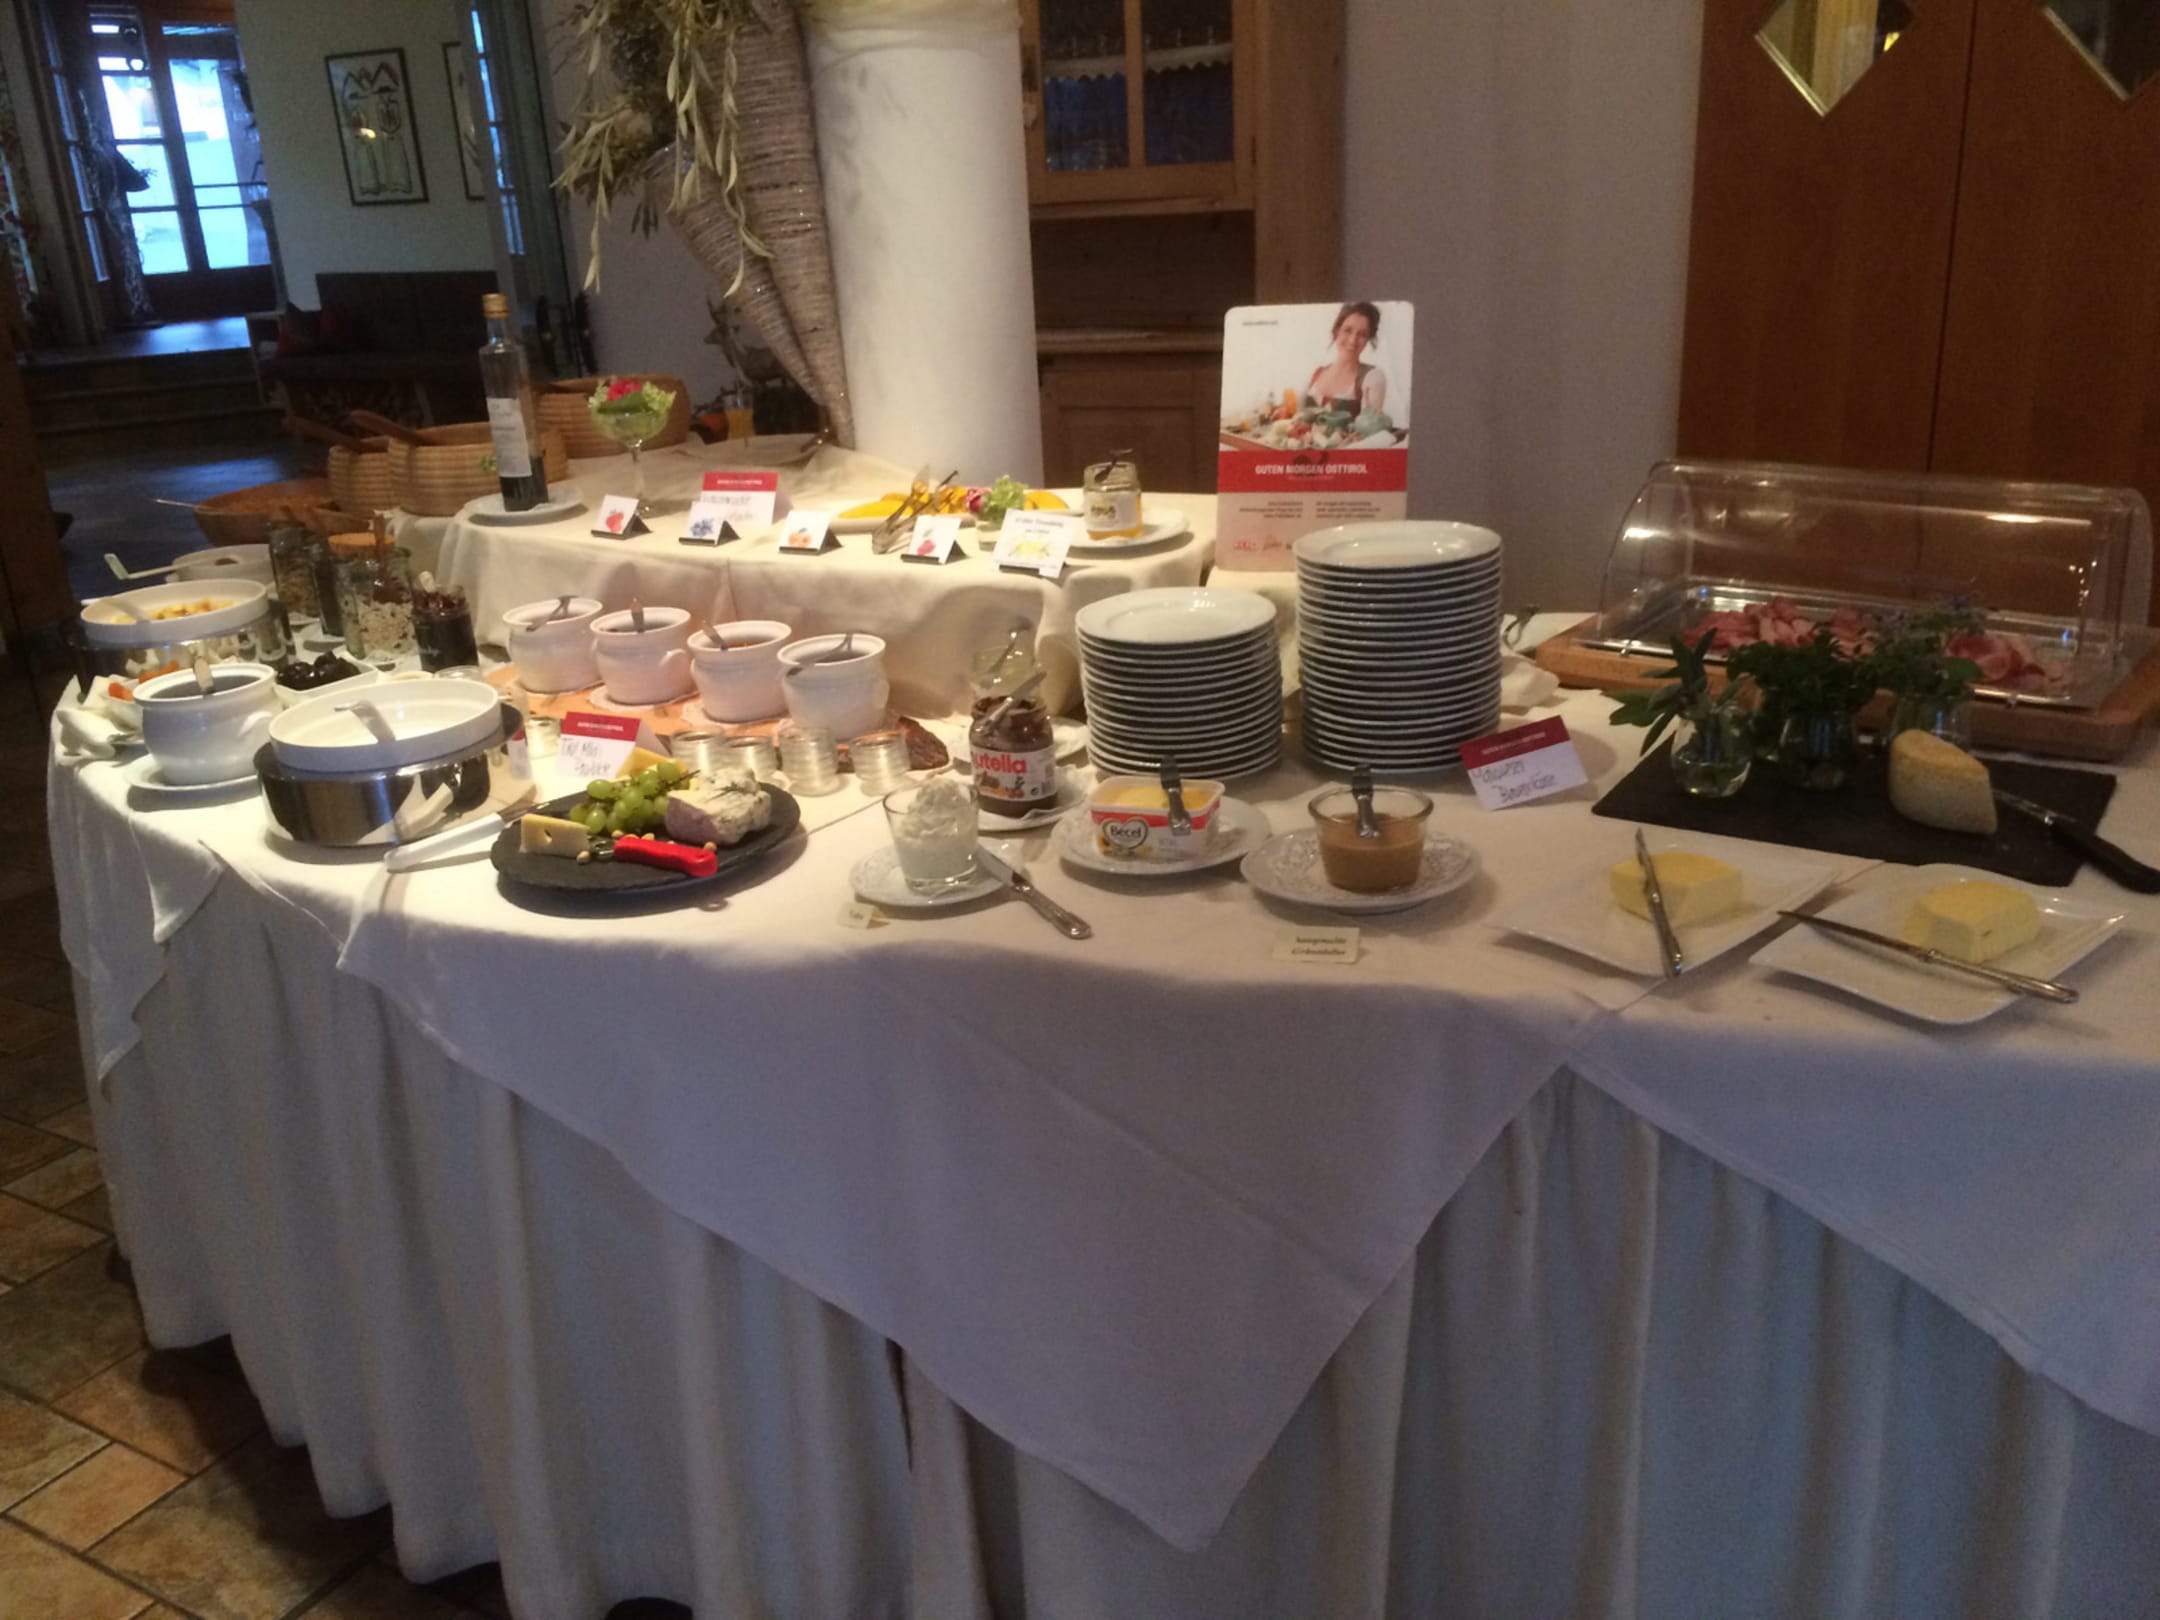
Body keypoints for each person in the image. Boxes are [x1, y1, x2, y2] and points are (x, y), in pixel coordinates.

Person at [1305, 302, 1387, 416]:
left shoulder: (1372, 378)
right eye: (1347, 330)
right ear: (1336, 332)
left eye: (1362, 334)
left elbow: (1372, 425)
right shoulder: (1317, 373)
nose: (1353, 340)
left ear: (1367, 340)